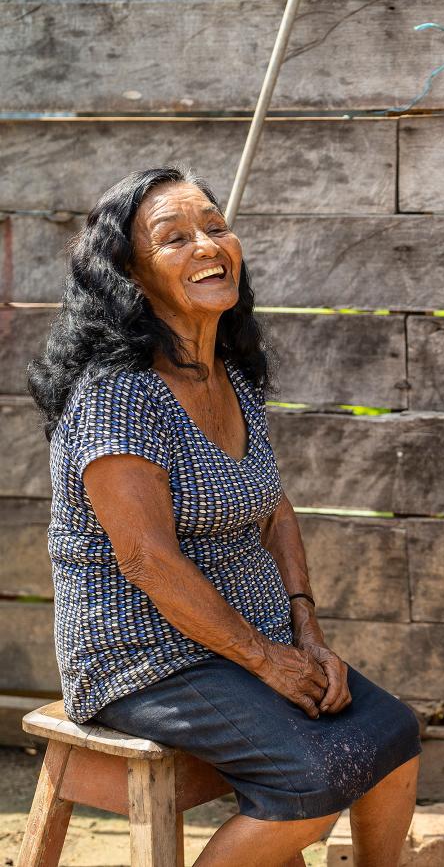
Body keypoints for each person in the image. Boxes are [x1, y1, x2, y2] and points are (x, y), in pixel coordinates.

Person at [28, 166, 421, 867]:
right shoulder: (119, 397)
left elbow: (273, 510)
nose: (209, 246)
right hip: (142, 660)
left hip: (245, 640)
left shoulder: (229, 373)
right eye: (175, 237)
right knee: (313, 778)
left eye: (215, 227)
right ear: (130, 273)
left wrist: (306, 632)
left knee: (389, 734)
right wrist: (267, 662)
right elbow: (148, 561)